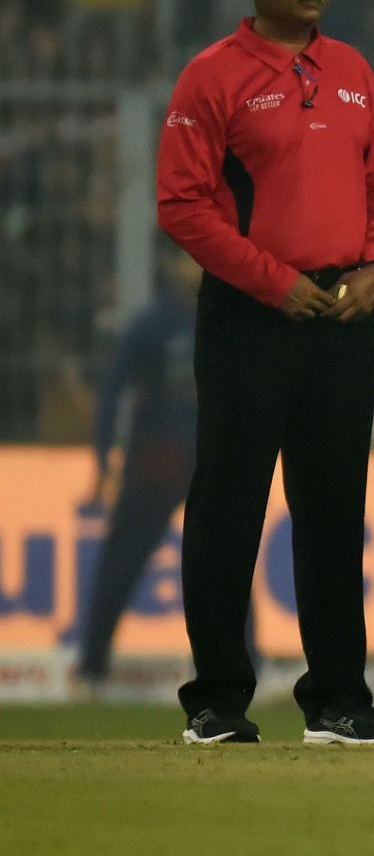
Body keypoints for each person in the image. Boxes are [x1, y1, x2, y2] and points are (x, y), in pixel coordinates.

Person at [156, 0, 374, 745]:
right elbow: (182, 206)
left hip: (344, 314)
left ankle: (339, 700)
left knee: (335, 507)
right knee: (229, 503)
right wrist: (273, 282)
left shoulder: (352, 70)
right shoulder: (212, 76)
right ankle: (218, 702)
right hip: (251, 318)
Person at [72, 248, 202, 693]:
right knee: (122, 562)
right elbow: (114, 391)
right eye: (189, 258)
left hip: (209, 458)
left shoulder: (223, 319)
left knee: (227, 563)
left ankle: (247, 671)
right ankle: (92, 667)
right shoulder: (154, 324)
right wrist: (104, 455)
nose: (197, 267)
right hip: (157, 460)